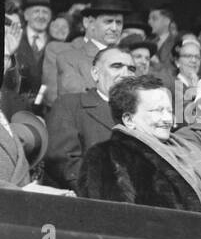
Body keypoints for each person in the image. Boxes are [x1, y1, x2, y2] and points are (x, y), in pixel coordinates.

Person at [77, 75, 201, 216]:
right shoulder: (106, 156)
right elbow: (115, 220)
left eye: (169, 111)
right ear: (128, 120)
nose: (167, 119)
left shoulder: (184, 150)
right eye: (158, 111)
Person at [42, 46, 134, 188]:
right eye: (116, 66)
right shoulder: (70, 105)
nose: (125, 74)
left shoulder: (139, 115)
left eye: (131, 69)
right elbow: (63, 162)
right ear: (95, 73)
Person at [42, 0, 127, 104]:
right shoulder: (59, 50)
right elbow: (52, 97)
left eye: (119, 22)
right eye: (108, 21)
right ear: (88, 22)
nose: (114, 28)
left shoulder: (126, 58)